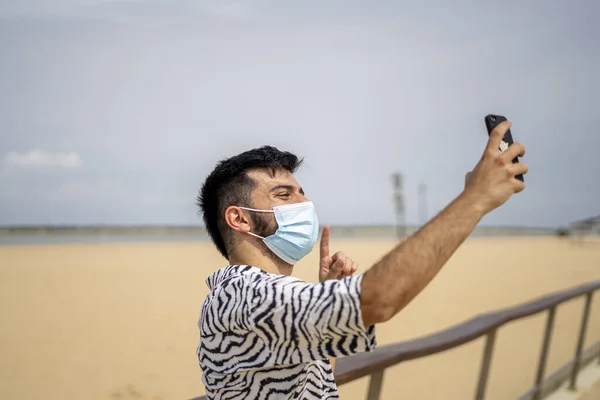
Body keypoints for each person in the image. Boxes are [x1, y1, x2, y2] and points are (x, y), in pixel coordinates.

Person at [195, 121, 528, 400]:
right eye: (284, 195)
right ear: (239, 219)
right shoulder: (242, 292)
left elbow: (316, 378)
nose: (304, 202)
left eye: (301, 192)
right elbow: (380, 300)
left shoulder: (266, 297)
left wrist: (323, 301)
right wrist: (475, 199)